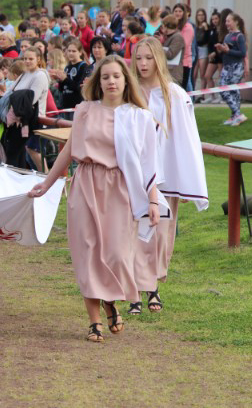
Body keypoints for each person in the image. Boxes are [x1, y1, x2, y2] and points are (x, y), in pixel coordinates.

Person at [28, 55, 162, 342]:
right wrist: (47, 183)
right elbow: (69, 149)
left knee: (116, 254)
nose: (111, 81)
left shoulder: (139, 117)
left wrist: (153, 201)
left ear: (126, 80)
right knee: (87, 253)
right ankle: (94, 321)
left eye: (116, 76)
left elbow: (149, 163)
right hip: (86, 183)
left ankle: (110, 302)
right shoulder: (85, 110)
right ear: (98, 82)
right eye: (105, 77)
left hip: (120, 189)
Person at [129, 38, 208, 314]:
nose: (143, 64)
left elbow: (186, 139)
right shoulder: (128, 90)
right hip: (134, 173)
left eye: (148, 58)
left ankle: (152, 286)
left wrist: (186, 180)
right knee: (133, 230)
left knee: (161, 232)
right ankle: (135, 290)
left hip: (164, 175)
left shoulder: (174, 94)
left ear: (158, 60)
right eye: (139, 58)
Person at [216, 13, 248, 126]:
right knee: (225, 89)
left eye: (229, 21)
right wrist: (221, 49)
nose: (226, 23)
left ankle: (237, 114)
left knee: (229, 90)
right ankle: (235, 115)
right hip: (227, 66)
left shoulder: (239, 36)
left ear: (236, 22)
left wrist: (228, 51)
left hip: (236, 67)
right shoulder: (227, 36)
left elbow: (242, 53)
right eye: (226, 21)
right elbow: (227, 51)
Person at [53, 39, 90, 119]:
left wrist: (65, 79)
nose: (71, 53)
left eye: (74, 51)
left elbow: (79, 87)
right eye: (69, 51)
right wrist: (60, 79)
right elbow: (61, 89)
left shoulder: (83, 66)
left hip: (76, 105)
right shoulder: (67, 67)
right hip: (66, 105)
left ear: (80, 52)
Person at [173, 3, 194, 90]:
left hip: (183, 62)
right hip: (173, 61)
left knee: (182, 88)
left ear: (184, 13)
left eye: (180, 11)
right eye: (175, 11)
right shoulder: (172, 26)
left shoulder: (188, 27)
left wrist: (171, 50)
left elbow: (184, 44)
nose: (177, 13)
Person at [160, 15, 185, 84]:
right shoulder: (168, 36)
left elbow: (170, 54)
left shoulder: (178, 37)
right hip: (167, 73)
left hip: (173, 75)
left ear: (166, 26)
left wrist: (158, 47)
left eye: (163, 26)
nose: (162, 28)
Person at [203, 11, 222, 103]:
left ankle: (221, 96)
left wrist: (215, 52)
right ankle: (212, 96)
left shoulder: (222, 30)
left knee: (221, 76)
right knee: (207, 75)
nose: (214, 21)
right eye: (213, 19)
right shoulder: (212, 30)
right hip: (213, 57)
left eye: (216, 19)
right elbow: (208, 42)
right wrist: (210, 53)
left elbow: (222, 43)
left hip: (220, 56)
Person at [193, 8, 210, 94]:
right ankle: (193, 93)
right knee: (194, 74)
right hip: (195, 49)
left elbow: (207, 40)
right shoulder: (194, 27)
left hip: (203, 49)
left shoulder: (207, 26)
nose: (201, 17)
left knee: (202, 74)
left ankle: (202, 94)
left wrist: (206, 29)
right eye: (199, 15)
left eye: (202, 15)